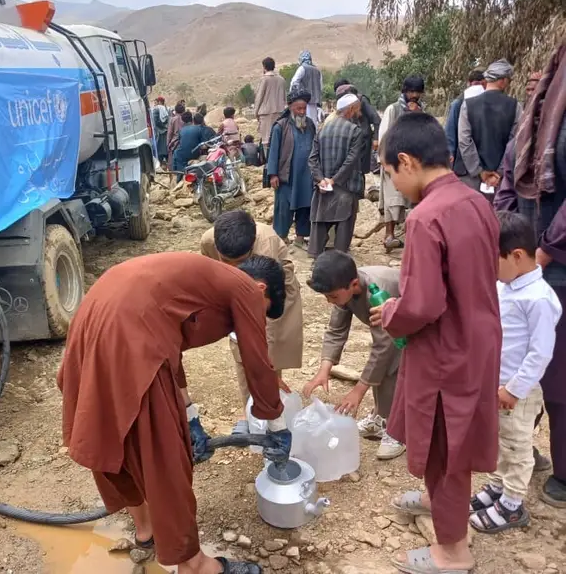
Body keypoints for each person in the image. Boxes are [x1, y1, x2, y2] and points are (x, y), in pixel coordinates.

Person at [58, 252, 292, 574]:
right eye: (263, 313)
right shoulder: (247, 288)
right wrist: (276, 422)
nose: (256, 318)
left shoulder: (200, 280)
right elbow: (257, 360)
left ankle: (146, 531)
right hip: (128, 330)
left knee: (114, 432)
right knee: (163, 453)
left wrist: (190, 414)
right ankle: (195, 565)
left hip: (95, 316)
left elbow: (173, 342)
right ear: (262, 288)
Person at [372, 112, 501, 573]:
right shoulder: (476, 202)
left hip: (446, 351)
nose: (393, 181)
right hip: (477, 341)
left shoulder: (425, 217)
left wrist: (390, 311)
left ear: (405, 161)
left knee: (445, 446)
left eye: (389, 172)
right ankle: (436, 504)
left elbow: (422, 304)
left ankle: (451, 553)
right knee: (454, 441)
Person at [495, 41, 566, 507]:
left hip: (552, 262)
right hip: (521, 250)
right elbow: (507, 176)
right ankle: (527, 454)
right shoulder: (531, 122)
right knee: (518, 349)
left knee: (557, 375)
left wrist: (546, 250)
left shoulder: (538, 295)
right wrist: (501, 227)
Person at [468, 211, 561, 534]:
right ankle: (497, 486)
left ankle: (512, 505)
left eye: (493, 261)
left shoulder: (538, 299)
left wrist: (514, 389)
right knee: (500, 441)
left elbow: (540, 352)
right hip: (497, 385)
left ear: (517, 256)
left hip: (517, 393)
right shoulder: (507, 285)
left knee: (518, 447)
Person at [199, 211, 303, 434]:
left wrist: (268, 370)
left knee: (269, 352)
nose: (234, 268)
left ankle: (272, 410)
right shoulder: (209, 241)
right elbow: (210, 275)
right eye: (227, 262)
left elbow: (264, 321)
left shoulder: (266, 246)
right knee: (241, 352)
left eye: (240, 263)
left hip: (273, 291)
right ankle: (251, 413)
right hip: (235, 293)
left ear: (251, 248)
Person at [303, 250, 405, 460]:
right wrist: (324, 370)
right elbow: (336, 330)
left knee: (394, 369)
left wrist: (358, 390)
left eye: (332, 296)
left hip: (413, 328)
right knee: (381, 370)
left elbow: (384, 345)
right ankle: (381, 418)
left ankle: (398, 431)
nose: (329, 301)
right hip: (392, 332)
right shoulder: (343, 291)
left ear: (353, 284)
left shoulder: (378, 292)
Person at [307, 93, 364, 259]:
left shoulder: (322, 129)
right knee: (343, 231)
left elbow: (312, 159)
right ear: (351, 109)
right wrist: (335, 180)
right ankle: (339, 264)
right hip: (346, 188)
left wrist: (321, 179)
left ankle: (316, 263)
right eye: (358, 110)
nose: (359, 114)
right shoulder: (355, 131)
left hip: (323, 188)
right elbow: (351, 161)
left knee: (320, 228)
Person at [458, 59, 523, 193]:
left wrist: (479, 171)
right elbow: (515, 141)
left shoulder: (468, 105)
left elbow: (464, 141)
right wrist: (500, 171)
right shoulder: (515, 106)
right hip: (504, 179)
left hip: (473, 179)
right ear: (503, 80)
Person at [378, 75, 426, 252]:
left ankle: (410, 237)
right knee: (392, 199)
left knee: (411, 200)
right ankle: (389, 235)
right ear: (404, 91)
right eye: (411, 91)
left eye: (417, 92)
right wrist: (383, 160)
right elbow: (383, 135)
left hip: (414, 162)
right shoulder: (393, 109)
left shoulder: (422, 111)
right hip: (393, 159)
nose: (414, 95)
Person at [267, 90, 317, 247]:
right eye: (298, 109)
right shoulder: (280, 127)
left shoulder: (310, 125)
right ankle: (281, 238)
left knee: (305, 206)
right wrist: (273, 174)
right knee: (283, 208)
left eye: (304, 108)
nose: (302, 112)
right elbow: (273, 152)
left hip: (306, 175)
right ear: (290, 108)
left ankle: (300, 238)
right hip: (286, 175)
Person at [446, 69, 485, 170]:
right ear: (469, 84)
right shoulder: (458, 104)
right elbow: (450, 136)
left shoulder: (489, 104)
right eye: (476, 84)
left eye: (482, 85)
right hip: (462, 165)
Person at [254, 57, 287, 155]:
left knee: (266, 141)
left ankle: (269, 164)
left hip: (266, 113)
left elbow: (259, 97)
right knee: (279, 139)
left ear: (264, 67)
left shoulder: (264, 79)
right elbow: (284, 98)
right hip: (280, 113)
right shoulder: (281, 80)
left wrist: (256, 112)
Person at [172, 113, 215, 182]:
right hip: (195, 153)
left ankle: (178, 177)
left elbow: (181, 142)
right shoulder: (199, 129)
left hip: (183, 154)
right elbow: (203, 144)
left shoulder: (182, 130)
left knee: (176, 154)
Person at [289, 50, 323, 124]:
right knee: (313, 122)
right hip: (314, 101)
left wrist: (294, 96)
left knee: (303, 122)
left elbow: (294, 82)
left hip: (303, 101)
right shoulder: (317, 70)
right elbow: (321, 87)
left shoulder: (302, 68)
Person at [167, 102, 188, 171]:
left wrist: (168, 144)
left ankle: (173, 173)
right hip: (183, 142)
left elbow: (169, 133)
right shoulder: (185, 119)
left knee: (172, 160)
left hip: (174, 143)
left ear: (175, 111)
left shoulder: (172, 119)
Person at [151, 96, 170, 164]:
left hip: (159, 131)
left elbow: (156, 121)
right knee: (164, 147)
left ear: (159, 102)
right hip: (164, 130)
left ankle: (160, 162)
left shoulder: (156, 109)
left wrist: (163, 127)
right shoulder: (165, 109)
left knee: (160, 148)